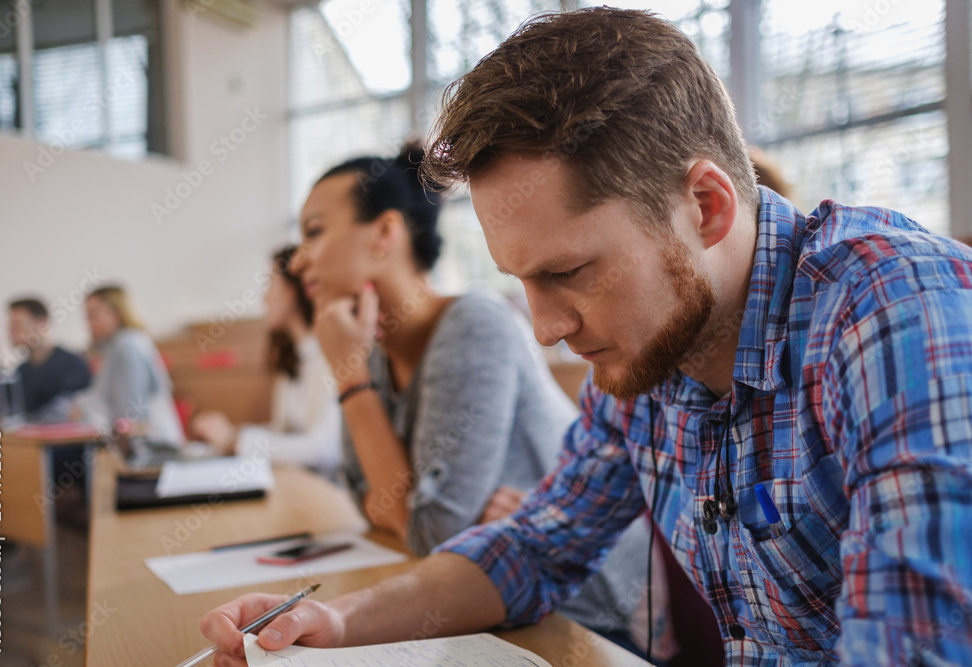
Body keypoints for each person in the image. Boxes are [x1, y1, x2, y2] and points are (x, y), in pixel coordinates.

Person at [201, 8, 972, 665]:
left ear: (705, 206)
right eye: (522, 281)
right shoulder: (651, 353)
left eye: (568, 270)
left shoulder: (893, 309)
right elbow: (532, 546)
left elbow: (913, 642)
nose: (543, 329)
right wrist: (336, 622)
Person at [281, 143, 654, 650]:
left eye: (315, 232)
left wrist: (349, 380)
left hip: (586, 616)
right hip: (482, 597)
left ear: (386, 233)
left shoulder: (474, 325)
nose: (299, 258)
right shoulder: (367, 347)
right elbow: (371, 503)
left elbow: (428, 531)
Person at [190, 246, 342, 474]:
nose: (265, 296)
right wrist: (231, 433)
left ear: (292, 292)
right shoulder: (292, 356)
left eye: (270, 284)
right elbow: (282, 433)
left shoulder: (328, 356)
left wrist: (236, 439)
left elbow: (324, 450)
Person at [75, 285, 185, 446]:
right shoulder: (115, 346)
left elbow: (132, 413)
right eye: (87, 317)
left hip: (152, 447)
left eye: (94, 315)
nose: (89, 323)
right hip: (138, 445)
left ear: (116, 314)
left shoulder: (128, 346)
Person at [0, 298, 91, 422]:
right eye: (10, 327)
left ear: (42, 324)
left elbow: (50, 411)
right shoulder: (22, 371)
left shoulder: (72, 365)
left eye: (17, 325)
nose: (11, 332)